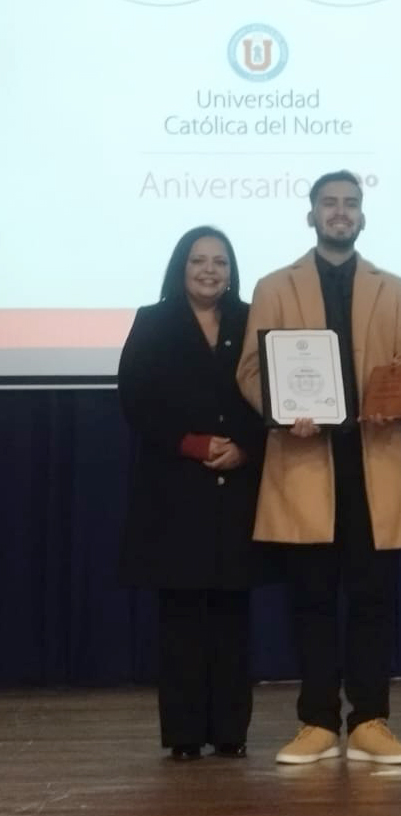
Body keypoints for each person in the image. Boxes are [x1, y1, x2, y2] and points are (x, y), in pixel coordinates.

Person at [236, 170, 401, 765]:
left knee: (373, 602)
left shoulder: (394, 289)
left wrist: (398, 399)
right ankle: (317, 722)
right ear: (311, 215)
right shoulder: (275, 286)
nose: (340, 212)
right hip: (303, 462)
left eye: (350, 203)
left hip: (374, 464)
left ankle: (370, 721)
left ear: (362, 216)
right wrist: (280, 410)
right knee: (312, 602)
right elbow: (251, 371)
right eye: (329, 203)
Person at [118, 225, 268, 761]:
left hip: (237, 488)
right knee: (181, 617)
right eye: (199, 260)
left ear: (231, 271)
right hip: (175, 491)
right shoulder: (153, 322)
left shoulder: (253, 320)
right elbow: (136, 399)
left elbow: (271, 396)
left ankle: (230, 732)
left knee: (232, 616)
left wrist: (246, 448)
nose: (210, 270)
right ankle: (183, 735)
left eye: (220, 262)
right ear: (181, 267)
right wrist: (192, 443)